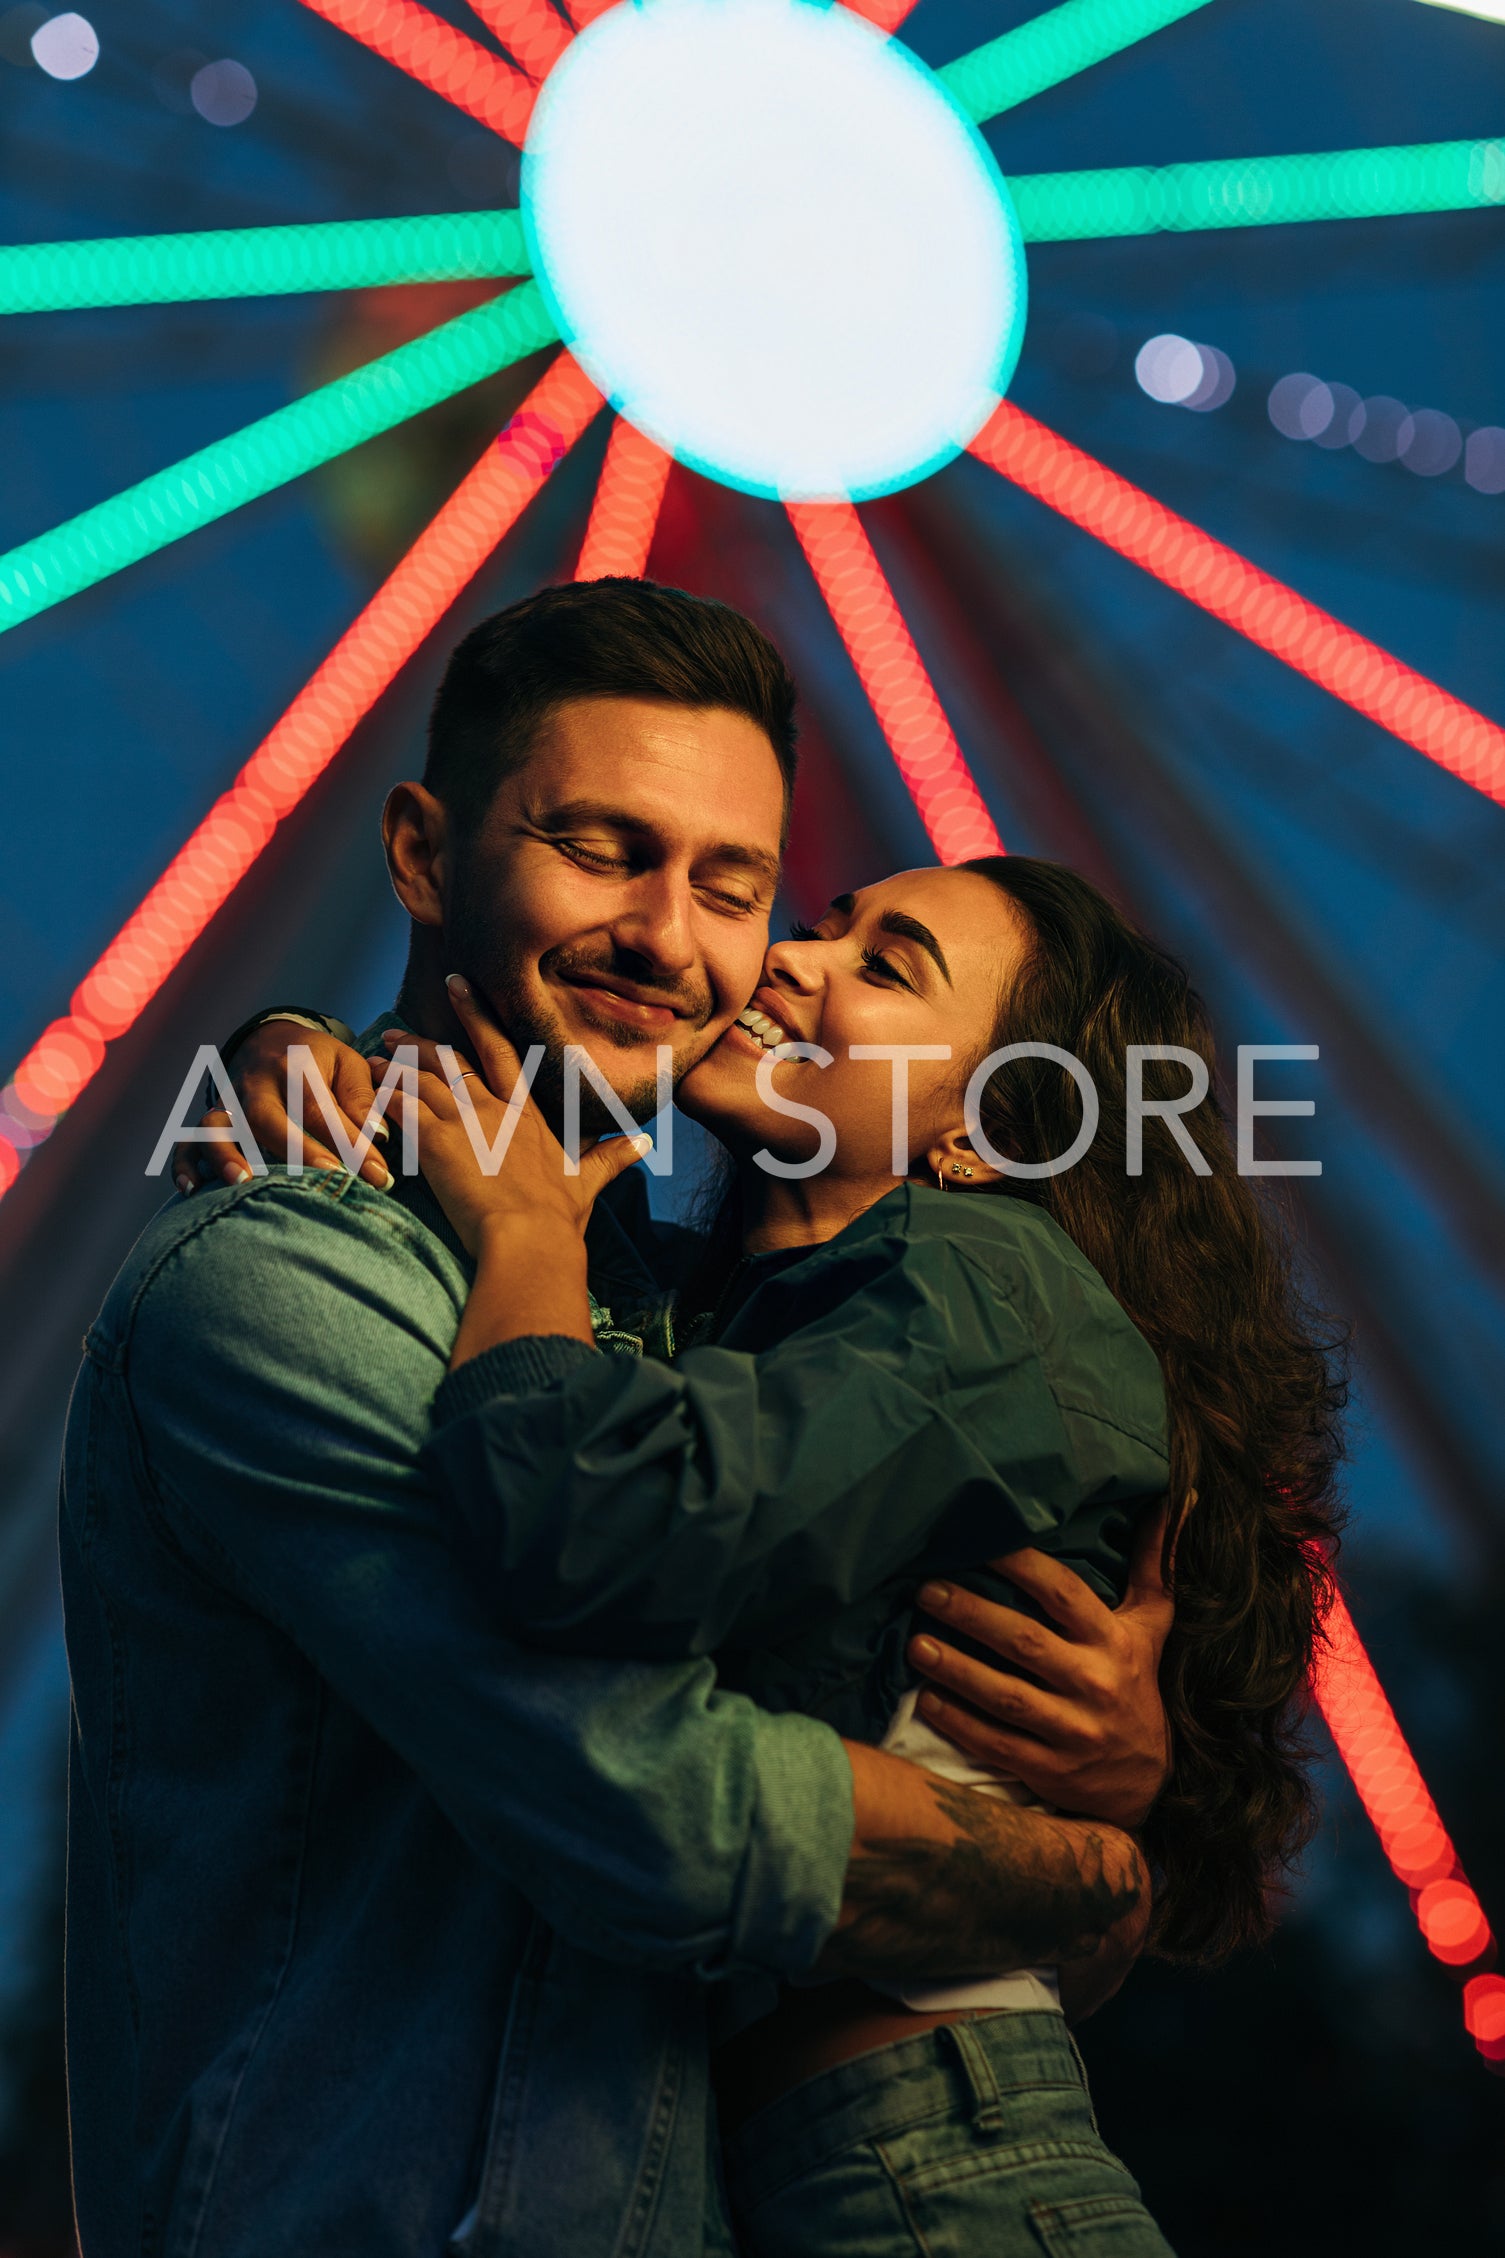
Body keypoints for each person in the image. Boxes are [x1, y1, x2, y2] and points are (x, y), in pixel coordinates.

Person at [66, 580, 1170, 2258]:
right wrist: (1085, 1873)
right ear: (425, 853)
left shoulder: (677, 1307)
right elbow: (659, 1808)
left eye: (733, 884)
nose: (683, 939)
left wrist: (1123, 1753)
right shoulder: (277, 1275)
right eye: (602, 847)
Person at [233, 852, 1344, 2256]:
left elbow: (590, 1529)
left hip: (935, 2166)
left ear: (982, 1131)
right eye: (821, 924)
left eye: (884, 966)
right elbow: (466, 1112)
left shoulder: (981, 1288)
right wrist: (281, 1049)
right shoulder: (744, 1320)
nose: (787, 957)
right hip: (780, 2166)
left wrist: (521, 1226)